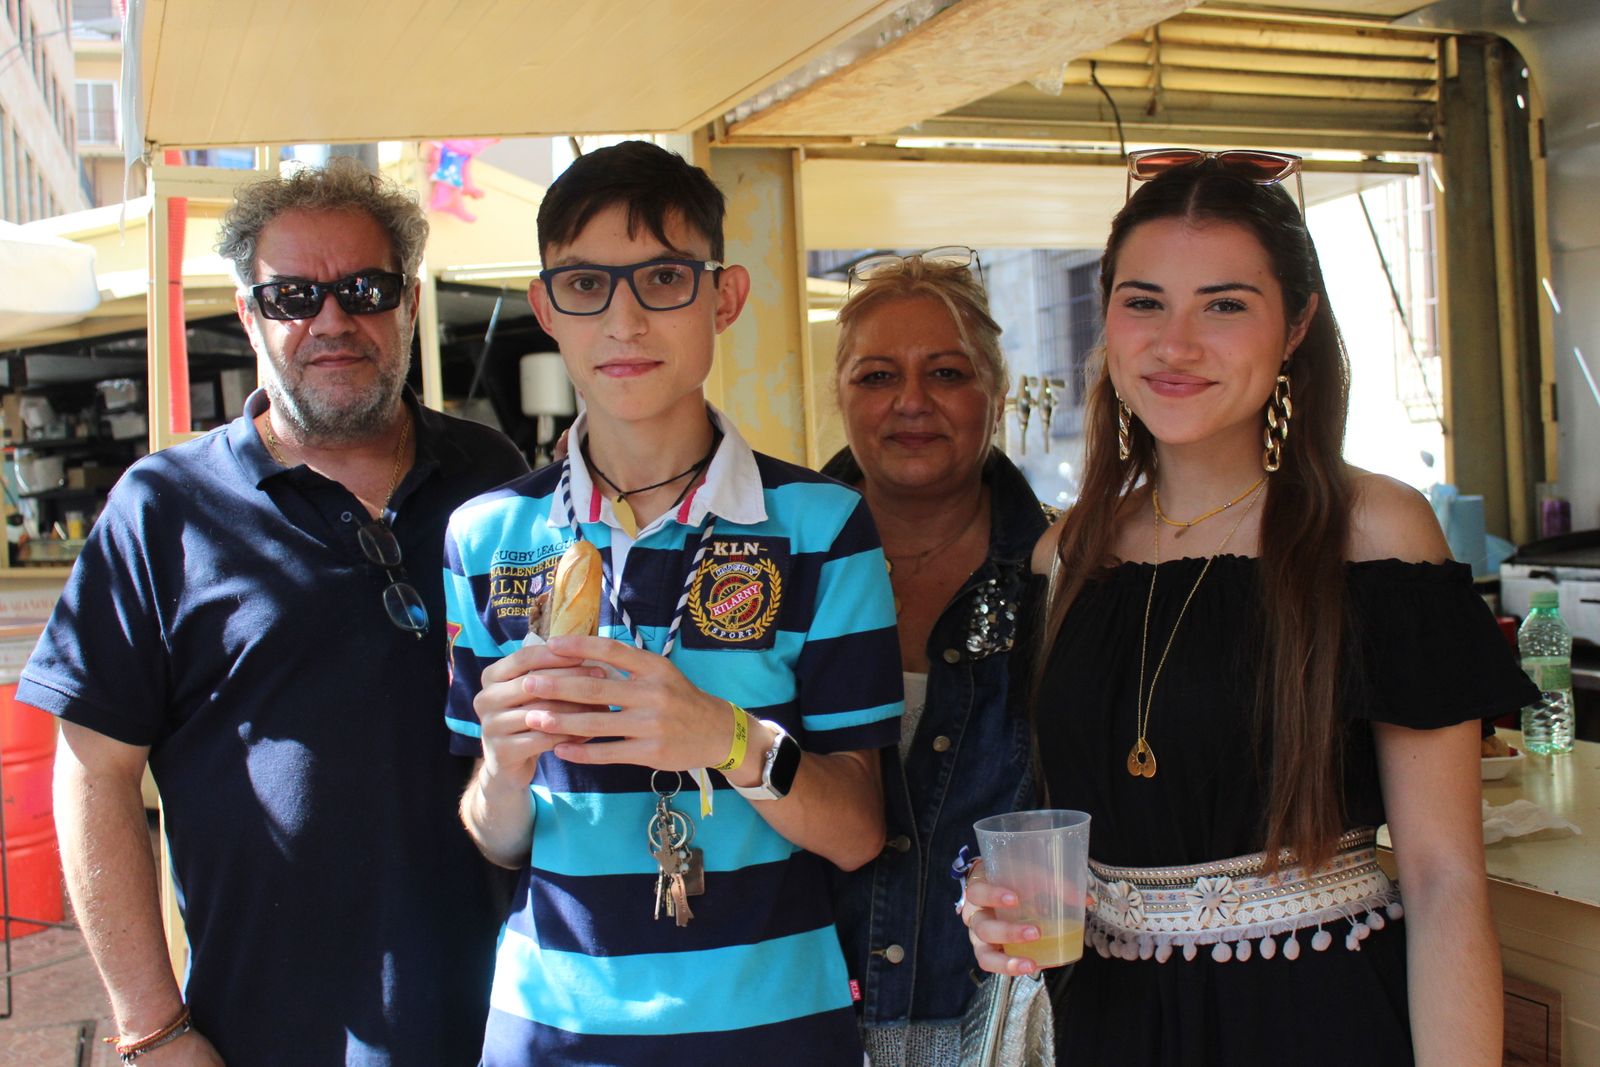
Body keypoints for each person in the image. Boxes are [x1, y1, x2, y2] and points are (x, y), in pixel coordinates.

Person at [961, 150, 1538, 1067]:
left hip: (1314, 1018)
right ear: (1106, 317)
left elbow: (1443, 880)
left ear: (1298, 322)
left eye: (1224, 304)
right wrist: (987, 905)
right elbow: (1029, 821)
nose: (1175, 344)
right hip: (1107, 1023)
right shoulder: (1060, 554)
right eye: (1143, 301)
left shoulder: (1374, 532)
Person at [22, 158, 529, 1066]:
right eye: (293, 294)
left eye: (363, 289)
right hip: (271, 1036)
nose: (331, 320)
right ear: (250, 313)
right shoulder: (165, 510)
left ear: (409, 303)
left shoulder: (497, 478)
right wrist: (152, 1027)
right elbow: (92, 777)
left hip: (513, 1021)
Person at [443, 140, 903, 1066]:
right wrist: (501, 765)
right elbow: (496, 838)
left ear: (723, 297)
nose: (623, 321)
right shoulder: (486, 535)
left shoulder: (824, 525)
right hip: (550, 1031)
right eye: (584, 285)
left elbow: (859, 831)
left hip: (772, 1030)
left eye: (661, 278)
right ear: (545, 308)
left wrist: (726, 739)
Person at [822, 249, 1050, 1065]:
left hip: (1002, 1029)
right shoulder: (768, 572)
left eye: (946, 372)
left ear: (995, 389)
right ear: (840, 394)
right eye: (877, 375)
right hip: (799, 1024)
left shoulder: (1069, 573)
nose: (911, 402)